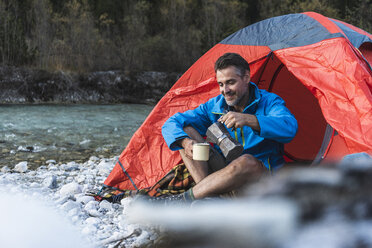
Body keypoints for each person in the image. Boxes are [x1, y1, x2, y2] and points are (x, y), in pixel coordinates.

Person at [159, 53, 298, 203]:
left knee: (247, 161)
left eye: (230, 82)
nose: (225, 90)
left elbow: (289, 127)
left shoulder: (270, 102)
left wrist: (250, 120)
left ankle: (182, 200)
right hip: (224, 176)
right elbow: (171, 123)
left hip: (260, 184)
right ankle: (206, 197)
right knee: (186, 130)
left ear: (246, 77)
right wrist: (185, 143)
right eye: (220, 84)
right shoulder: (214, 106)